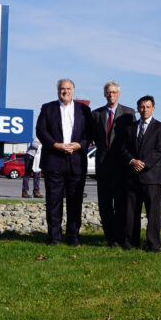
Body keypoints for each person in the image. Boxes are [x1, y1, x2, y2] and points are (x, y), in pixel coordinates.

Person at [35, 78, 93, 246]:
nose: (65, 91)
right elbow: (40, 130)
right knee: (54, 202)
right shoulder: (48, 108)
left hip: (76, 162)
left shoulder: (83, 109)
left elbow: (90, 133)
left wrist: (79, 145)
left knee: (75, 202)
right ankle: (54, 237)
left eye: (68, 88)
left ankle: (73, 237)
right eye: (62, 88)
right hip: (54, 161)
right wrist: (55, 145)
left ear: (73, 91)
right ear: (58, 90)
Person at [91, 80, 135, 247]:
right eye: (108, 92)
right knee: (105, 204)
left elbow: (132, 139)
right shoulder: (96, 114)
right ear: (104, 94)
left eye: (114, 92)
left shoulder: (129, 113)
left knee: (121, 203)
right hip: (103, 165)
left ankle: (120, 236)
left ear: (119, 94)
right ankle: (110, 237)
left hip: (122, 166)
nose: (111, 95)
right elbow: (93, 138)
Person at [121, 95, 161, 251]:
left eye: (148, 107)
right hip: (132, 177)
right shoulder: (130, 127)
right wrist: (132, 161)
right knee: (131, 212)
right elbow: (123, 148)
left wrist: (144, 163)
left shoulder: (160, 127)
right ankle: (131, 242)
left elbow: (160, 150)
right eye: (142, 107)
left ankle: (153, 244)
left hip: (152, 177)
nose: (145, 110)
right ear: (138, 109)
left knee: (153, 213)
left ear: (153, 108)